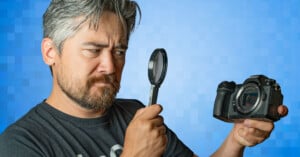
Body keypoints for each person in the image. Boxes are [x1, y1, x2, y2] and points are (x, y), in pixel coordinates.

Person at [0, 0, 288, 156]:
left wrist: (236, 141)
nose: (110, 66)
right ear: (51, 52)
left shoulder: (135, 114)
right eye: (93, 50)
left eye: (120, 51)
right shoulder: (20, 144)